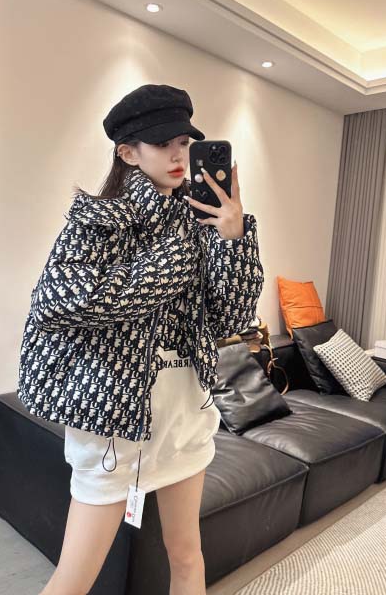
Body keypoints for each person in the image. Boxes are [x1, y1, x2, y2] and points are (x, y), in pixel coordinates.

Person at [18, 83, 264, 595]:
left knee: (187, 557)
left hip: (184, 412)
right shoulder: (97, 219)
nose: (178, 155)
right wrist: (175, 259)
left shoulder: (204, 223)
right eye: (162, 143)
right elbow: (59, 303)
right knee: (73, 580)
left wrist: (234, 239)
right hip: (114, 422)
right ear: (128, 153)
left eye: (184, 142)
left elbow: (231, 317)